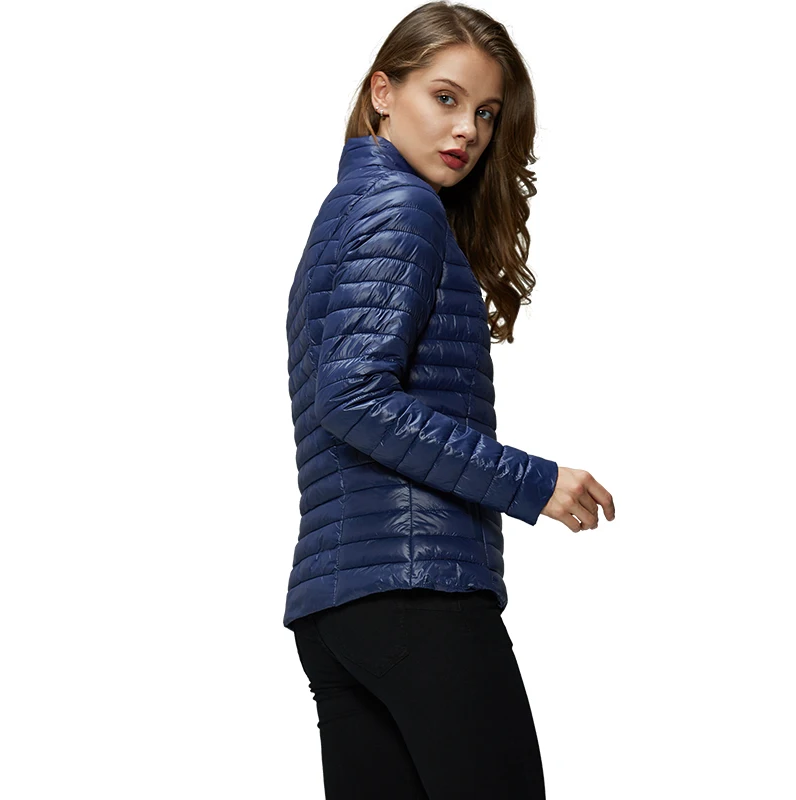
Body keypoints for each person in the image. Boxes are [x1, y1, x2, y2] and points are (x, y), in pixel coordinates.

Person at [283, 3, 615, 797]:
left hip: (338, 612)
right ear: (383, 93)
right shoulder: (403, 210)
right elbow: (352, 396)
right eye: (445, 97)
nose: (468, 128)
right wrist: (535, 483)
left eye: (487, 113)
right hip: (417, 593)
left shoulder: (343, 213)